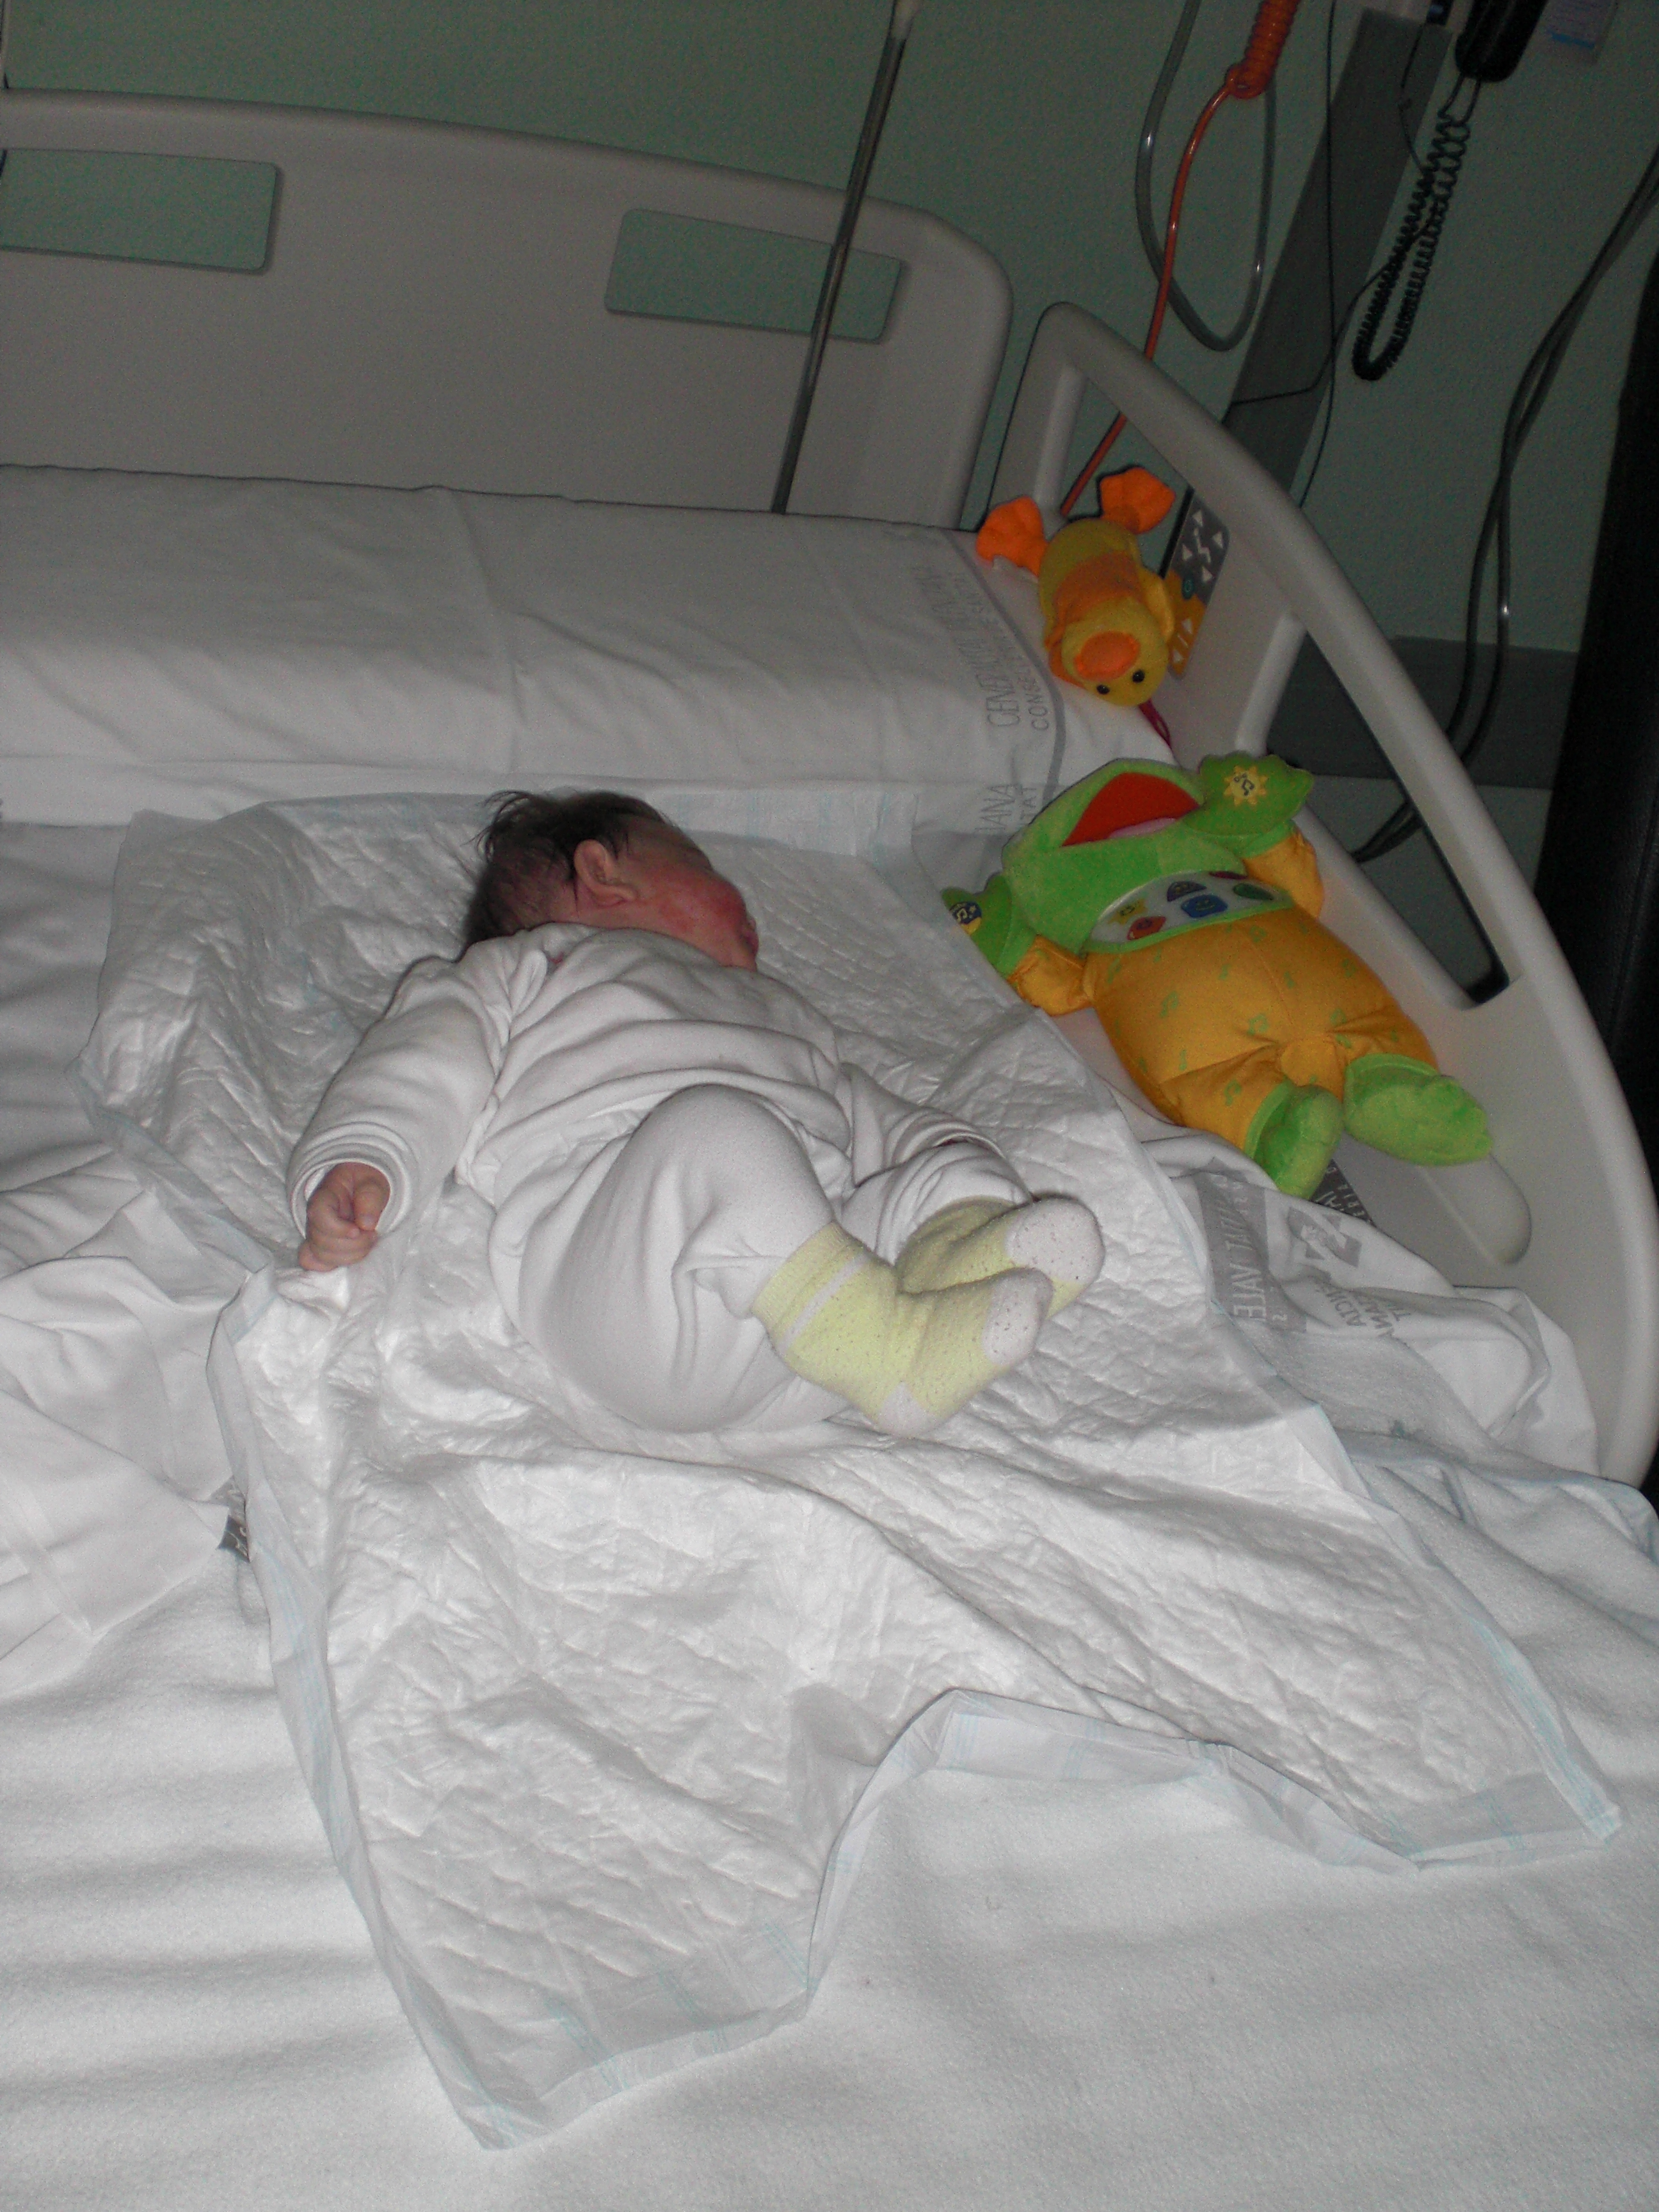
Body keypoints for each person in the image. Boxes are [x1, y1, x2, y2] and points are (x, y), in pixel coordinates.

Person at [289, 792, 1103, 1437]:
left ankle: (944, 1269)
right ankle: (889, 1346)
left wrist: (964, 1175)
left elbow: (870, 1116)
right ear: (605, 873)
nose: (748, 907)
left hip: (795, 1336)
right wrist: (370, 1154)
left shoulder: (782, 1011)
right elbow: (428, 1051)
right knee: (717, 1131)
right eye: (701, 863)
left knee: (933, 1158)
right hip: (633, 1293)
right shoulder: (532, 965)